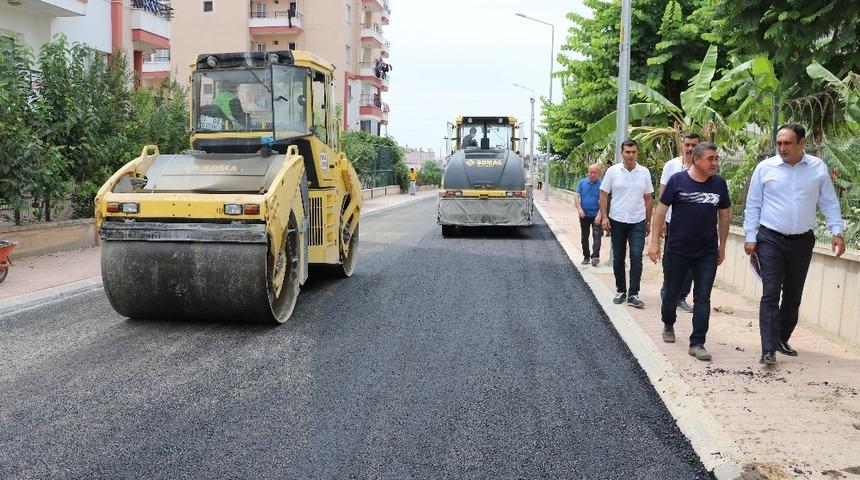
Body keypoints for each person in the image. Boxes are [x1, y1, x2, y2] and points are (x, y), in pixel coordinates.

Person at [743, 123, 845, 365]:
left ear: (801, 143)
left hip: (802, 241)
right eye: (778, 143)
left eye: (787, 143)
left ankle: (781, 338)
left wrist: (837, 232)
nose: (781, 147)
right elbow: (753, 203)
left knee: (793, 294)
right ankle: (767, 348)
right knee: (770, 293)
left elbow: (829, 202)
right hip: (770, 238)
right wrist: (750, 236)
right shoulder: (765, 168)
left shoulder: (817, 168)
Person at [648, 142, 730, 361]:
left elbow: (724, 216)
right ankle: (668, 323)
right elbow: (660, 212)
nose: (715, 163)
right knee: (671, 292)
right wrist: (654, 242)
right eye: (710, 158)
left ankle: (697, 342)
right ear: (696, 160)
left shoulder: (719, 184)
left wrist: (722, 247)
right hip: (678, 249)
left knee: (702, 297)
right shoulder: (677, 181)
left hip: (707, 252)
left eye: (716, 158)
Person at [599, 139, 654, 309]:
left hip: (637, 221)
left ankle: (633, 294)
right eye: (627, 152)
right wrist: (604, 217)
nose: (631, 155)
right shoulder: (613, 172)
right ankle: (621, 290)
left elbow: (648, 198)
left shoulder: (644, 172)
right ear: (622, 152)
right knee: (618, 257)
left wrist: (648, 221)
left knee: (636, 256)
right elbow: (603, 194)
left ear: (637, 153)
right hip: (617, 220)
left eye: (634, 152)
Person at [658, 133, 701, 313]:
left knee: (691, 264)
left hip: (695, 225)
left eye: (694, 145)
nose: (690, 148)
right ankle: (668, 289)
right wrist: (661, 220)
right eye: (687, 145)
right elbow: (662, 192)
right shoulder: (671, 166)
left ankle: (681, 296)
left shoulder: (703, 167)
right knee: (670, 260)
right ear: (682, 145)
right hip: (672, 223)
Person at [574, 164, 603, 266]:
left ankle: (595, 256)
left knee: (597, 236)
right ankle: (586, 256)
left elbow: (603, 201)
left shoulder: (602, 184)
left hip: (596, 216)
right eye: (591, 172)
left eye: (595, 172)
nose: (592, 174)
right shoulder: (582, 183)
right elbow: (577, 196)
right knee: (584, 237)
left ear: (598, 173)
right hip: (584, 215)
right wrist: (579, 209)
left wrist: (599, 215)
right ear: (588, 172)